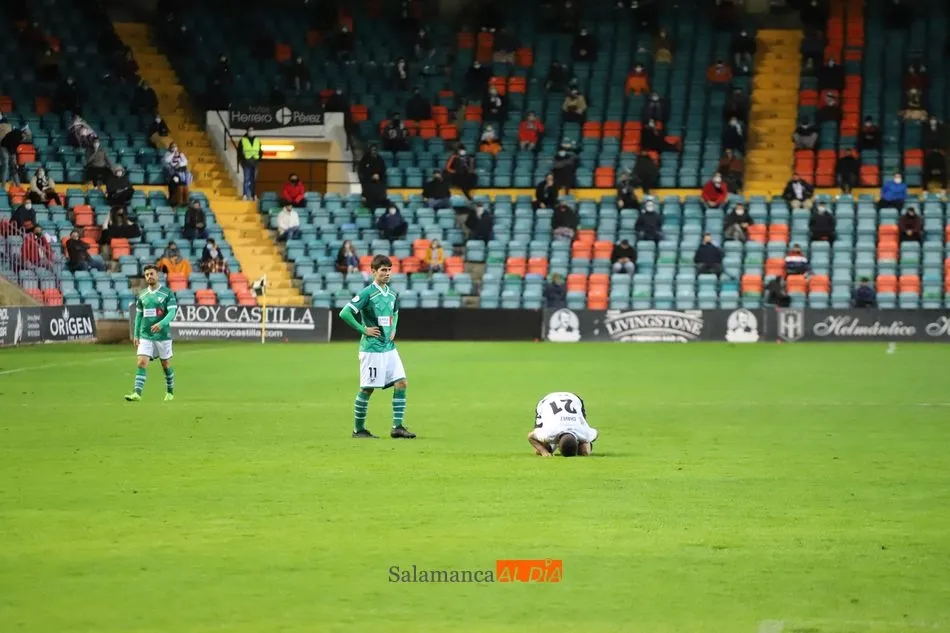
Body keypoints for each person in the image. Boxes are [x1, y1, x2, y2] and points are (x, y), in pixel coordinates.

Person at [337, 255, 416, 439]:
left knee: (402, 382)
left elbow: (395, 312)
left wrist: (394, 327)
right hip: (372, 349)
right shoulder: (367, 293)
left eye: (389, 270)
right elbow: (345, 313)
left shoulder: (392, 293)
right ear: (373, 272)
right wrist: (363, 329)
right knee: (367, 389)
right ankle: (358, 430)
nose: (387, 273)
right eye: (383, 270)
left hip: (389, 347)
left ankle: (397, 427)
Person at [125, 264, 178, 402]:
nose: (149, 276)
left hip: (162, 336)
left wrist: (161, 323)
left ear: (157, 275)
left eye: (152, 274)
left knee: (165, 365)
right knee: (141, 362)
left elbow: (172, 312)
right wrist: (136, 334)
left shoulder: (167, 293)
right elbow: (139, 316)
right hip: (145, 335)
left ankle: (170, 392)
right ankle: (137, 393)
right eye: (147, 274)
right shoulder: (142, 295)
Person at [528, 391, 598, 457]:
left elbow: (596, 433)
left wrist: (587, 440)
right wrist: (543, 451)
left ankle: (579, 444)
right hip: (547, 401)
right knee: (538, 451)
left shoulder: (584, 433)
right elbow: (530, 436)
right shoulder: (548, 433)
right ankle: (573, 445)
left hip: (574, 399)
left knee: (584, 452)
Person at [239, 127, 262, 201]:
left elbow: (260, 151)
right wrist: (243, 160)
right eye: (250, 130)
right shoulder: (243, 140)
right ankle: (245, 194)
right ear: (247, 131)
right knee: (246, 179)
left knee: (254, 180)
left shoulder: (257, 140)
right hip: (247, 162)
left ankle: (253, 195)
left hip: (255, 162)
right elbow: (239, 151)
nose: (251, 132)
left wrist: (259, 159)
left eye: (252, 130)